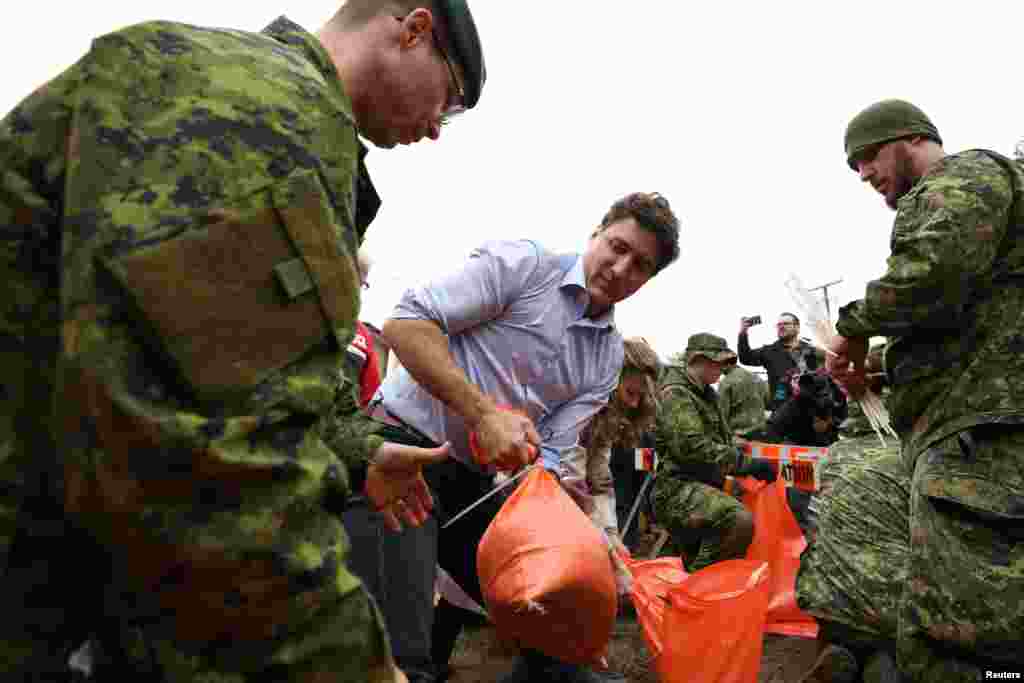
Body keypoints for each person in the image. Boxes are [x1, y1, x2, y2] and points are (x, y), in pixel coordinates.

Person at [0, 1, 487, 680]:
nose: (437, 128)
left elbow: (202, 356)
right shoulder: (263, 121)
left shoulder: (242, 97)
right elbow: (215, 464)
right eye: (452, 97)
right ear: (413, 29)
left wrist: (358, 448)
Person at [369, 192, 681, 683]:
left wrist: (571, 534)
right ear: (596, 233)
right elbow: (404, 324)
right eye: (617, 247)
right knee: (402, 654)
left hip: (475, 485)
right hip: (398, 450)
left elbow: (550, 458)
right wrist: (482, 414)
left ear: (648, 280)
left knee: (555, 627)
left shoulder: (605, 362)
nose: (621, 268)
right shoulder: (525, 267)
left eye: (640, 265)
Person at [827, 98, 1024, 681]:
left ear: (910, 138)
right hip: (973, 433)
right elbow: (967, 329)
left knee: (962, 631)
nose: (864, 175)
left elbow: (936, 268)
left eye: (866, 157)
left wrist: (853, 326)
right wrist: (883, 371)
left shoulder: (967, 174)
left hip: (980, 445)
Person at [652, 333, 776, 573]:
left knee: (701, 557)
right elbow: (692, 448)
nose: (721, 368)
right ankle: (696, 592)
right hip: (677, 489)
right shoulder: (676, 393)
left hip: (703, 486)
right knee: (736, 520)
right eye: (717, 362)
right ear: (699, 359)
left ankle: (696, 595)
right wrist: (746, 464)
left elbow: (717, 440)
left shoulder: (707, 394)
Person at [738, 313, 819, 411]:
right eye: (779, 325)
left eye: (785, 324)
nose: (781, 327)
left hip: (809, 410)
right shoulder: (769, 351)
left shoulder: (811, 350)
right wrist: (743, 332)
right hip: (782, 413)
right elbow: (745, 358)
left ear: (797, 327)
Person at [348, 246, 384, 408]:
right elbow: (370, 402)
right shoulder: (361, 336)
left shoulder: (362, 335)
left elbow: (370, 399)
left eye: (362, 284)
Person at [717, 355, 769, 438]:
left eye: (720, 365)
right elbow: (767, 402)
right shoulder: (757, 378)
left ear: (728, 364)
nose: (718, 369)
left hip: (738, 437)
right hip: (760, 433)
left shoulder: (726, 382)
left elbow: (721, 413)